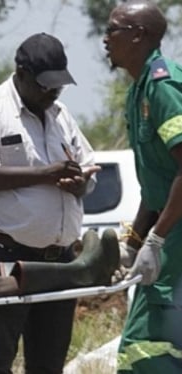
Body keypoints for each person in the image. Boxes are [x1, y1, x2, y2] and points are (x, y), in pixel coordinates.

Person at [0, 33, 100, 373]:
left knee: (48, 364)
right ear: (20, 72)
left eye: (59, 86)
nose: (52, 93)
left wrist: (80, 184)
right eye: (45, 85)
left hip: (60, 261)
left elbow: (88, 169)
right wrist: (47, 174)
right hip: (6, 256)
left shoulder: (62, 115)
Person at [104, 1, 182, 372]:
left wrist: (157, 239)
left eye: (113, 30)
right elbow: (156, 184)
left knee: (146, 350)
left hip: (177, 244)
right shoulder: (138, 93)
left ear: (138, 35)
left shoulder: (163, 88)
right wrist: (133, 244)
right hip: (169, 242)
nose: (105, 39)